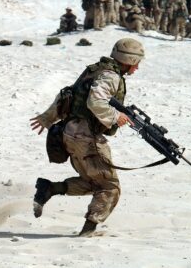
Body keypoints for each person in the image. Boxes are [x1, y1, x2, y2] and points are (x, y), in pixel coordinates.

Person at [30, 38, 145, 237]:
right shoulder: (110, 76)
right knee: (110, 187)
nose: (136, 68)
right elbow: (95, 102)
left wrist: (48, 117)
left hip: (70, 133)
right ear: (128, 60)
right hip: (85, 137)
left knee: (93, 183)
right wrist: (117, 117)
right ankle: (88, 231)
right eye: (136, 63)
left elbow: (68, 95)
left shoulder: (95, 70)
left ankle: (50, 188)